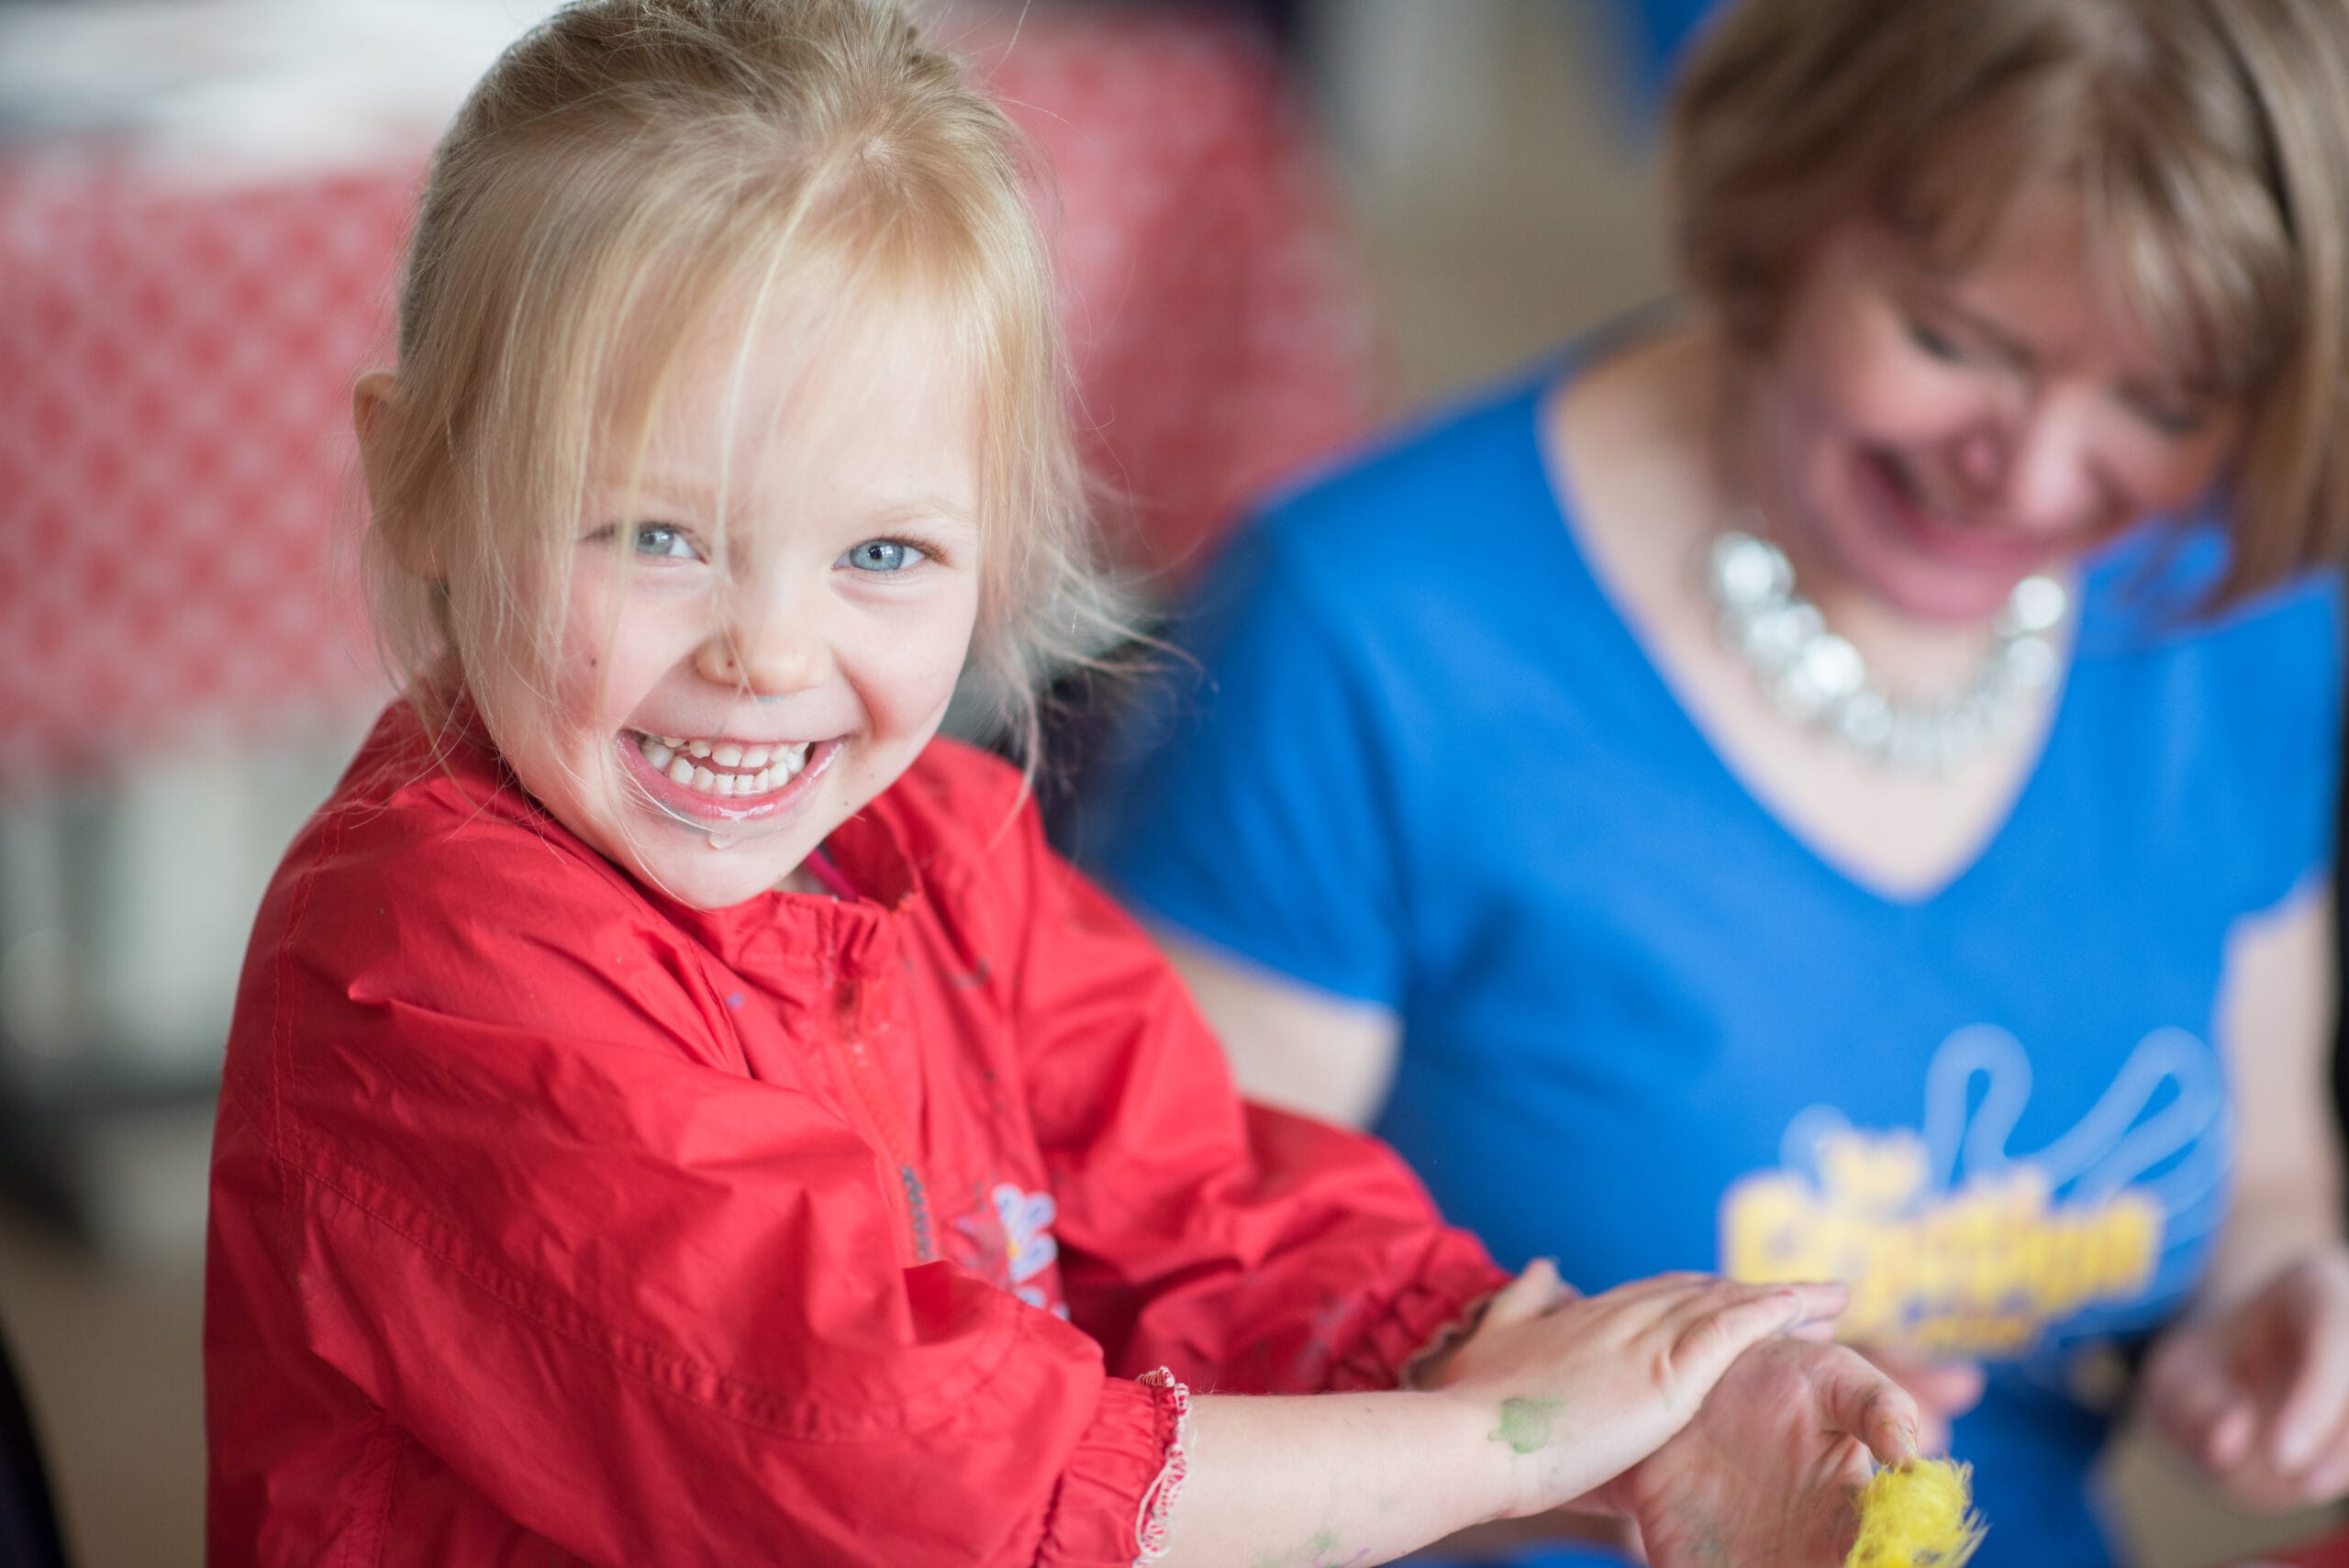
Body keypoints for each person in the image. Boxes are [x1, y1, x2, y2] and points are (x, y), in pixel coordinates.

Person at [198, 4, 1920, 1565]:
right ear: (416, 483)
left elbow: (1210, 1219)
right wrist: (1509, 1436)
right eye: (656, 535)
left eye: (882, 550)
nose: (771, 654)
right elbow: (911, 1476)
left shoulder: (936, 846)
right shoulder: (430, 970)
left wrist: (1585, 1390)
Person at [1094, 1, 2349, 1563]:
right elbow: (1147, 1347)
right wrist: (1624, 1454)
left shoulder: (2235, 619)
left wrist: (2273, 1306)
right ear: (1784, 209)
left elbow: (2269, 1170)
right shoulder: (1368, 636)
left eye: (2163, 401)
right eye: (1956, 342)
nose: (2030, 474)